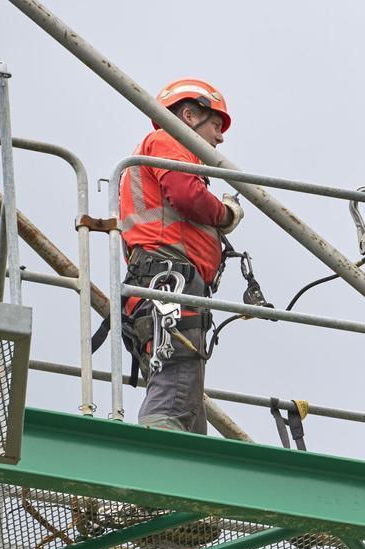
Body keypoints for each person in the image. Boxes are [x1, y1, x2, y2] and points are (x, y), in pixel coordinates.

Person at [118, 77, 244, 433]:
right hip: (170, 281)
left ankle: (186, 457)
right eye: (215, 125)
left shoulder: (161, 153)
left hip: (167, 283)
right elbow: (186, 195)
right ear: (189, 116)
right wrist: (226, 213)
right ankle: (160, 452)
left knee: (184, 394)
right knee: (174, 390)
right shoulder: (168, 139)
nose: (220, 138)